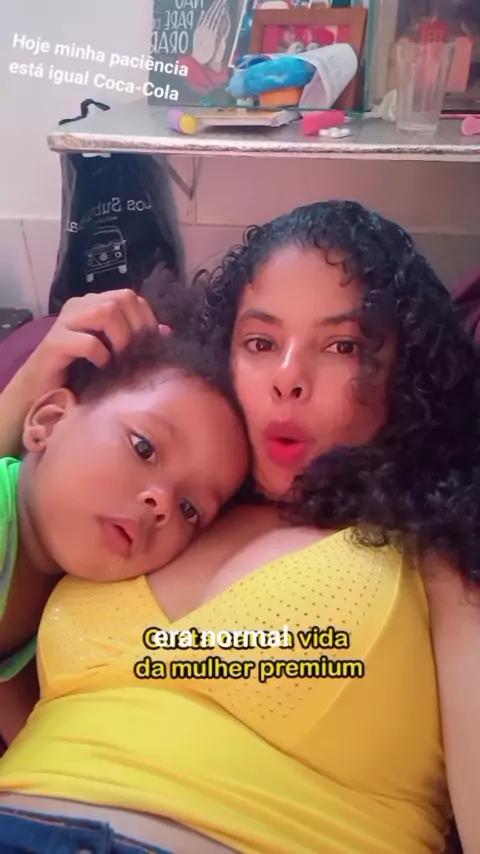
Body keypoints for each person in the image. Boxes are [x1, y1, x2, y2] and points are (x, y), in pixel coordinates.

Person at [0, 200, 479, 854]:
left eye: (342, 346)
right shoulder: (132, 505)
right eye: (260, 342)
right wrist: (26, 389)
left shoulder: (436, 541)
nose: (288, 379)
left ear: (405, 374)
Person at [0, 307, 249, 746]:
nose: (162, 503)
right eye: (144, 448)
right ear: (50, 421)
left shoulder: (62, 596)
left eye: (190, 509)